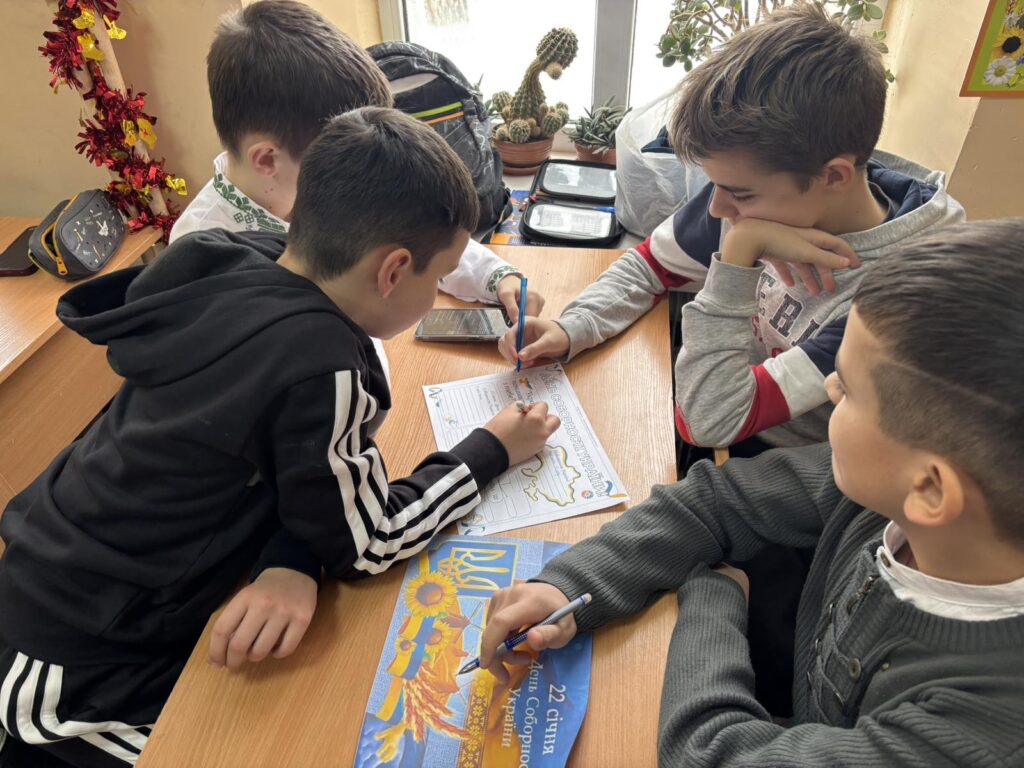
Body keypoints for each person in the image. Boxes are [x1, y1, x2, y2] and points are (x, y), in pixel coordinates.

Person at [0, 108, 560, 768]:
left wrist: (292, 552)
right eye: (437, 278)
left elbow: (280, 469)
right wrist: (491, 449)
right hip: (75, 669)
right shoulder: (319, 364)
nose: (437, 292)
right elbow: (370, 542)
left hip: (98, 594)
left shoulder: (244, 257)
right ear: (392, 271)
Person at [480, 219, 1024, 767]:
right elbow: (717, 501)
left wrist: (714, 596)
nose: (829, 388)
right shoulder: (891, 496)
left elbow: (710, 755)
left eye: (849, 390)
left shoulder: (978, 731)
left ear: (930, 489)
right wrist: (571, 583)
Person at [498, 3, 963, 451]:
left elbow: (706, 420)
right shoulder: (754, 190)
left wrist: (740, 253)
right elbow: (648, 266)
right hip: (712, 399)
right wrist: (573, 327)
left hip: (772, 458)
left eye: (739, 194)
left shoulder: (893, 300)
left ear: (835, 176)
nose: (718, 209)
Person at [172, 0, 544, 346]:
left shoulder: (320, 184)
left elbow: (420, 234)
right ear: (268, 160)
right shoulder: (202, 258)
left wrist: (496, 277)